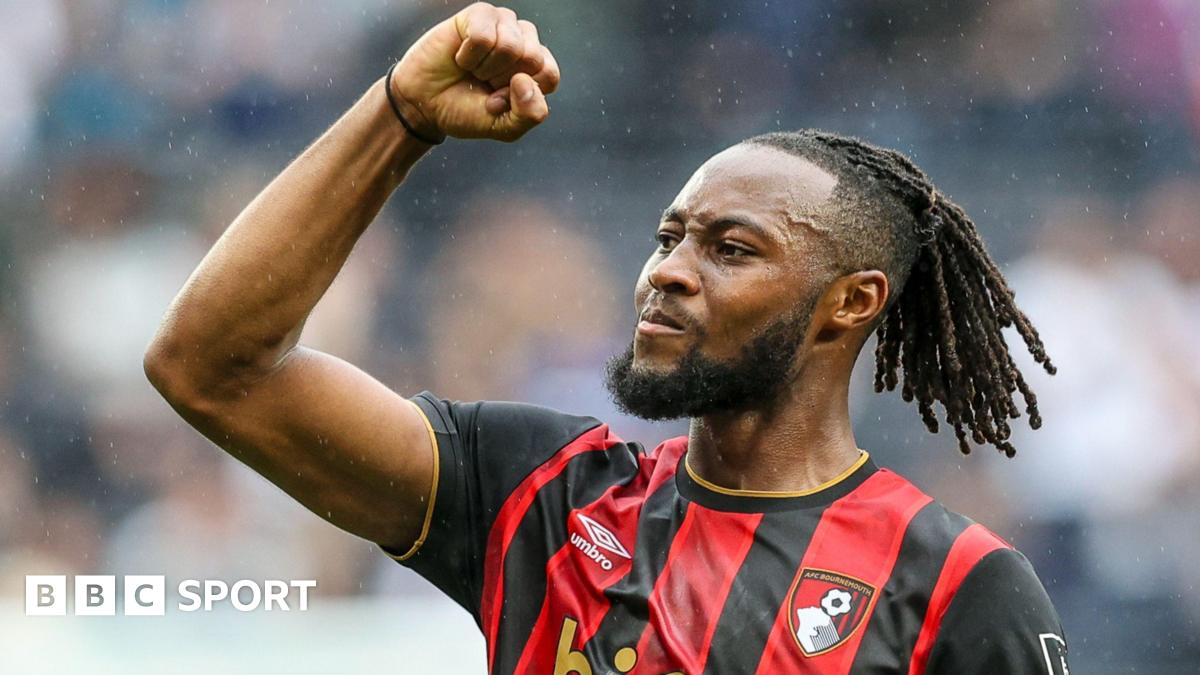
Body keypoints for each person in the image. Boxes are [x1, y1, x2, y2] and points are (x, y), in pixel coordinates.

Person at [144, 4, 1069, 673]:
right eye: (668, 236)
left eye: (730, 248)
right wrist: (401, 117)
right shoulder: (542, 495)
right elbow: (212, 368)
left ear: (850, 301)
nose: (667, 269)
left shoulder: (955, 584)